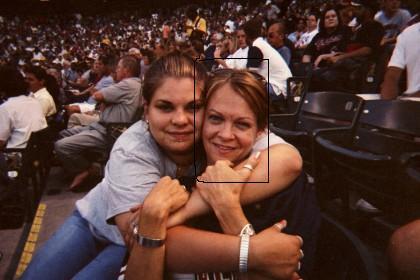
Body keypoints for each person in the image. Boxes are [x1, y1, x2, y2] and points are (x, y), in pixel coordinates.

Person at [22, 53, 304, 280]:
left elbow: (287, 159)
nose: (180, 120)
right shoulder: (131, 149)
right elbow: (139, 235)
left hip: (137, 244)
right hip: (94, 225)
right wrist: (251, 251)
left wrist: (205, 200)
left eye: (193, 107)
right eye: (165, 107)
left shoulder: (215, 130)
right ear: (146, 110)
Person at [125, 69, 320, 279]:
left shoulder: (288, 189)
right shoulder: (178, 188)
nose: (226, 135)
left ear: (260, 131)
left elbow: (284, 270)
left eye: (242, 124)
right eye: (215, 119)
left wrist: (227, 208)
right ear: (201, 120)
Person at [54, 55, 141, 190]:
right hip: (101, 126)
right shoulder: (135, 84)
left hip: (109, 132)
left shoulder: (127, 84)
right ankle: (86, 166)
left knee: (61, 146)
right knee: (63, 134)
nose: (116, 71)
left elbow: (97, 96)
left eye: (118, 68)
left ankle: (87, 169)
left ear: (126, 70)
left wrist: (103, 99)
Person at [243, 19, 292, 101]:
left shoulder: (256, 47)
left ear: (247, 36)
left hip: (278, 87)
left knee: (244, 86)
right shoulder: (262, 44)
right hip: (282, 85)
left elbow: (250, 74)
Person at [0, 66, 47, 150]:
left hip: (18, 153)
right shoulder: (34, 101)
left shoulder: (6, 107)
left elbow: (1, 142)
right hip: (39, 151)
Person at [380, 22, 420, 99]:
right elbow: (391, 76)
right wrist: (387, 106)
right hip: (412, 103)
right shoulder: (409, 33)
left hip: (412, 101)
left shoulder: (409, 32)